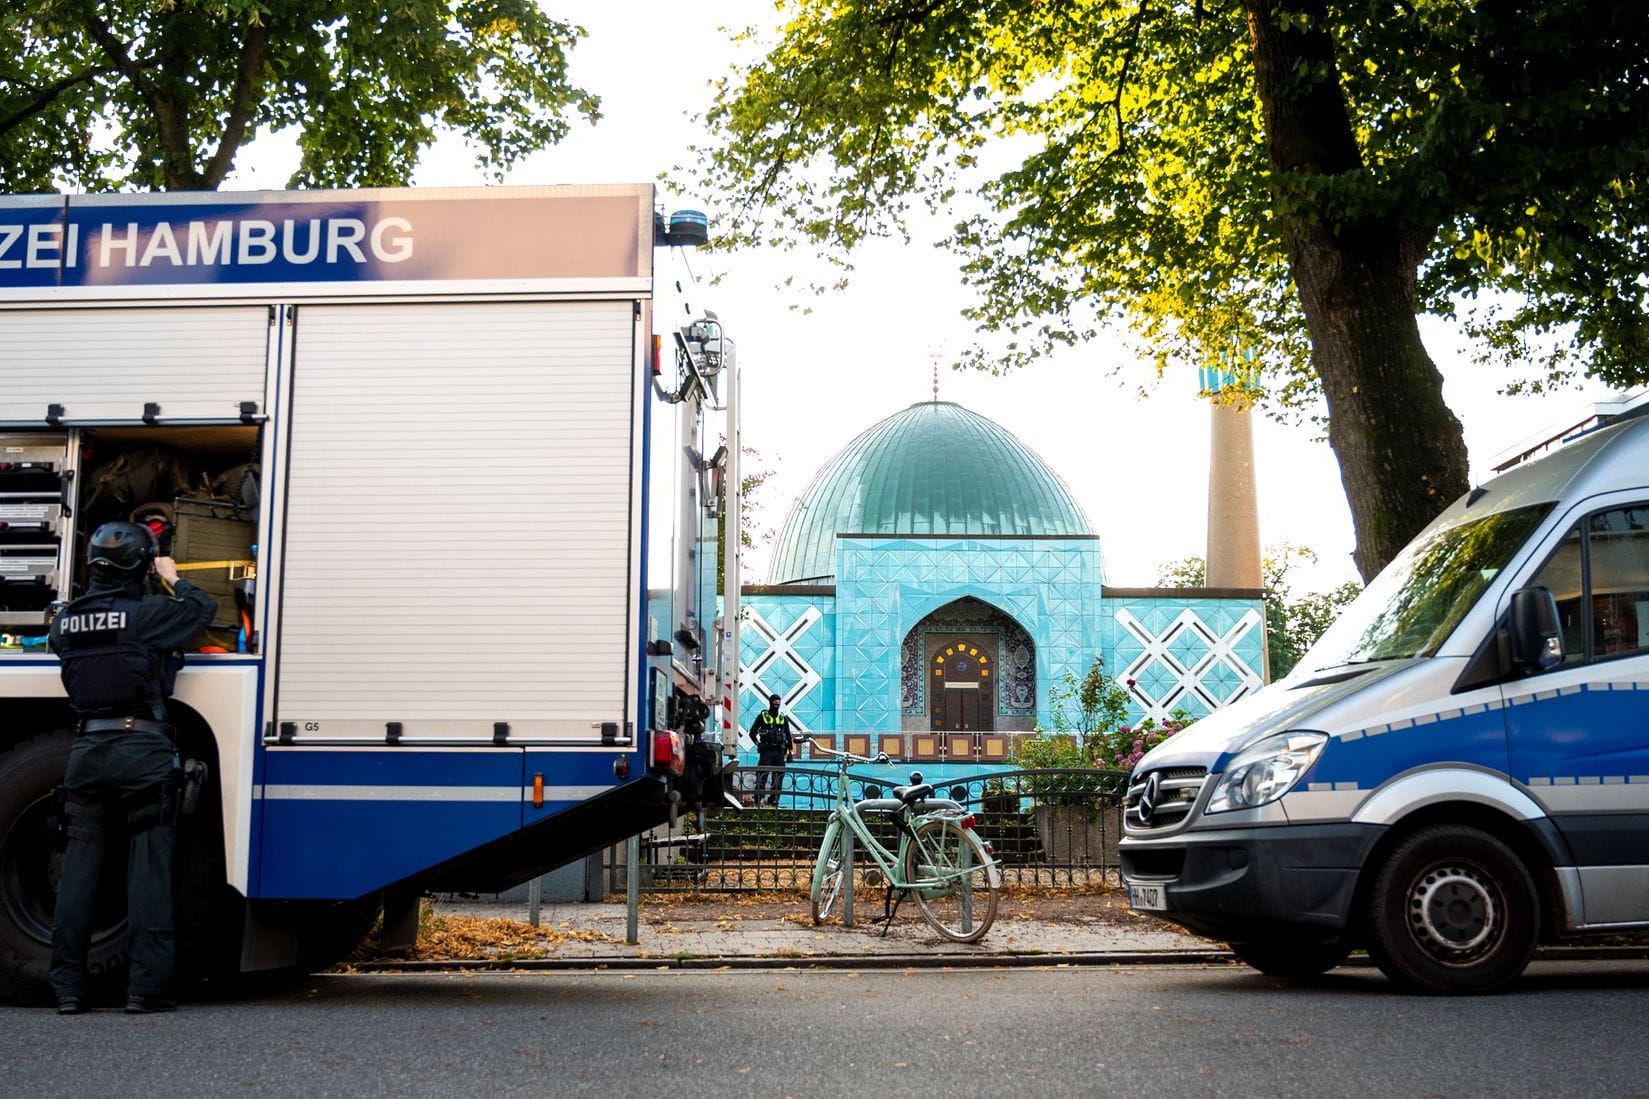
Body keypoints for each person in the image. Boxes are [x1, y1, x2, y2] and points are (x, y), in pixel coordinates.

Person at [47, 521, 216, 1015]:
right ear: (140, 565)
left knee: (78, 874)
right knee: (149, 871)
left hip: (86, 751)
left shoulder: (65, 622)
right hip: (140, 750)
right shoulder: (146, 615)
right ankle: (146, 989)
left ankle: (68, 991)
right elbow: (203, 610)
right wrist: (172, 576)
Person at [750, 692, 795, 807]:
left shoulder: (782, 718)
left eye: (778, 703)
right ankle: (758, 800)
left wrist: (790, 751)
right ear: (770, 703)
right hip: (766, 750)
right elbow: (752, 733)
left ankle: (773, 800)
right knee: (762, 775)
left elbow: (788, 735)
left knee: (779, 777)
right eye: (774, 702)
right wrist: (758, 744)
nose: (776, 705)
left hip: (779, 751)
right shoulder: (763, 716)